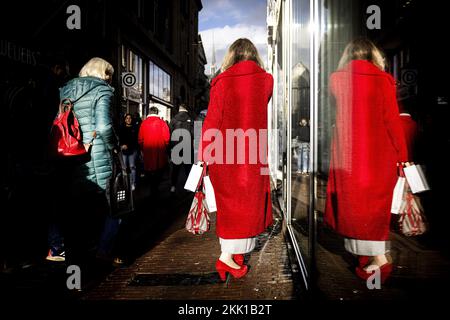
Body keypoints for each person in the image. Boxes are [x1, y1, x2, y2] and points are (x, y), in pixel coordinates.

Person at [324, 38, 409, 283]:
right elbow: (392, 122)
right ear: (373, 55)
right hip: (380, 156)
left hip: (349, 155)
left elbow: (335, 111)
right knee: (375, 210)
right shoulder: (384, 80)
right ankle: (374, 259)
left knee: (355, 208)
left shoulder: (337, 80)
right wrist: (403, 157)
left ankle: (378, 260)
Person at [199, 38, 274, 281]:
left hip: (224, 154)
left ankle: (228, 257)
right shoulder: (266, 80)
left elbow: (213, 121)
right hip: (253, 154)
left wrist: (205, 155)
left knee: (230, 209)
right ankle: (230, 257)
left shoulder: (221, 81)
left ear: (230, 56)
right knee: (248, 206)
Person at [55, 57, 121, 267]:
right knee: (116, 208)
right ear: (103, 73)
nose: (111, 78)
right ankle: (103, 250)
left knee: (78, 206)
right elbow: (103, 127)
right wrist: (114, 145)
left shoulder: (65, 90)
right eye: (109, 74)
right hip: (97, 155)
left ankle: (76, 254)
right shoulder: (103, 91)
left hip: (71, 155)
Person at [138, 107, 170, 197]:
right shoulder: (162, 123)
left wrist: (142, 149)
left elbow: (140, 139)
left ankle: (151, 189)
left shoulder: (144, 123)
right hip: (160, 151)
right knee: (159, 170)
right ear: (157, 112)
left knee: (149, 171)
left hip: (147, 151)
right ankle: (156, 188)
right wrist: (165, 147)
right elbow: (167, 138)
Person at [169, 103, 194, 192]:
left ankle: (173, 186)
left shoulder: (174, 120)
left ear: (179, 109)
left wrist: (171, 148)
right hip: (187, 145)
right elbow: (194, 134)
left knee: (175, 168)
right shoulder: (191, 119)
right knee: (188, 167)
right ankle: (189, 187)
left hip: (176, 147)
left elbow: (170, 134)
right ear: (186, 109)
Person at [119, 113, 139, 191]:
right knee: (125, 168)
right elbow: (120, 139)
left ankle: (133, 183)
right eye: (127, 118)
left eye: (130, 118)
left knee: (132, 167)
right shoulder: (121, 128)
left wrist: (128, 145)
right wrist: (121, 146)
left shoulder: (135, 128)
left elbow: (136, 140)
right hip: (124, 151)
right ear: (124, 120)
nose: (128, 119)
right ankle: (125, 184)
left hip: (133, 150)